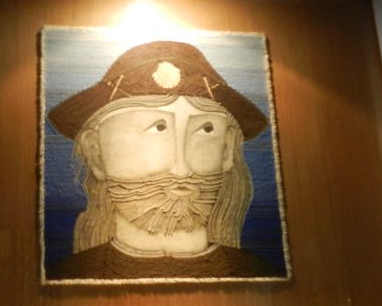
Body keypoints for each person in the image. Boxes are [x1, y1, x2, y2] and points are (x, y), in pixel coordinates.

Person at [46, 40, 279, 281]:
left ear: (226, 150)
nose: (181, 169)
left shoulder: (260, 275)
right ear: (96, 153)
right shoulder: (68, 278)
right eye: (157, 129)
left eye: (205, 130)